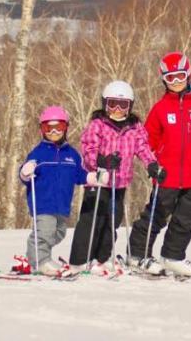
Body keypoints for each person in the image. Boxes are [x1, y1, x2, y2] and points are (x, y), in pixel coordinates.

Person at [126, 52, 191, 277]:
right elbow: (147, 142)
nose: (176, 82)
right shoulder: (160, 109)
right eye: (170, 78)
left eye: (180, 76)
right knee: (156, 215)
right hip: (167, 175)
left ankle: (173, 256)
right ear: (163, 79)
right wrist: (151, 163)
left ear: (189, 74)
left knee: (186, 219)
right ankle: (137, 254)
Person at [69, 80, 162, 274]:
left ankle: (102, 258)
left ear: (131, 106)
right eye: (112, 104)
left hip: (119, 183)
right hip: (99, 181)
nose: (118, 109)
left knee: (112, 222)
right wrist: (101, 161)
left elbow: (143, 147)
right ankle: (80, 259)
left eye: (123, 105)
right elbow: (88, 149)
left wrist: (152, 164)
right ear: (104, 104)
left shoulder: (135, 127)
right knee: (92, 220)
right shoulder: (97, 125)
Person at [17, 105, 94, 276]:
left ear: (66, 127)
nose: (53, 132)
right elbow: (23, 176)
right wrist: (25, 171)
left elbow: (79, 174)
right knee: (44, 232)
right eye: (48, 128)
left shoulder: (72, 154)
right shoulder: (38, 153)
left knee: (59, 233)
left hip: (62, 204)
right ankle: (39, 261)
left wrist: (93, 178)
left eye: (58, 127)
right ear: (42, 129)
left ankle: (38, 255)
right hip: (43, 203)